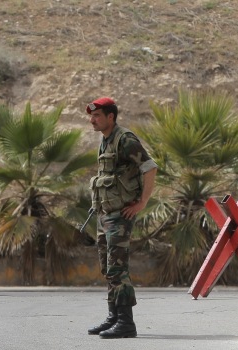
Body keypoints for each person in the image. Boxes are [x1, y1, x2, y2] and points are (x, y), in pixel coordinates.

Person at [86, 97, 157, 339]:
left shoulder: (125, 139)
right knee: (108, 269)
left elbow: (149, 167)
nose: (92, 120)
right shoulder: (105, 141)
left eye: (97, 116)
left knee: (118, 269)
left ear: (110, 117)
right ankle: (113, 317)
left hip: (120, 215)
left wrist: (142, 203)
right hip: (104, 214)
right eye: (91, 116)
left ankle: (126, 323)